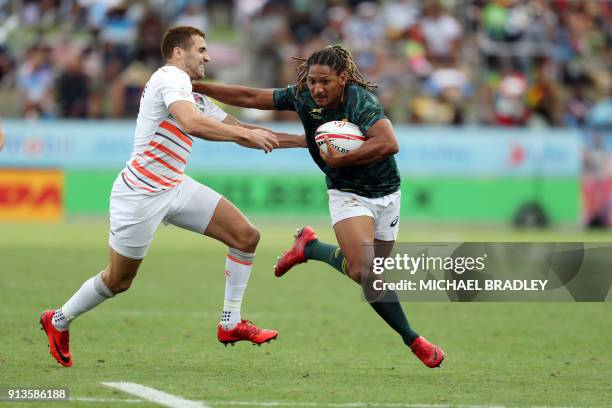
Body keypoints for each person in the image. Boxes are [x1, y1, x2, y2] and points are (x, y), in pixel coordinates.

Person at [40, 26, 305, 367]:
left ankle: (231, 323)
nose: (207, 56)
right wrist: (246, 135)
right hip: (140, 194)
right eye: (201, 49)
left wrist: (301, 141)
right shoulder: (169, 78)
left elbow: (241, 130)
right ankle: (58, 320)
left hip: (175, 186)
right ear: (179, 53)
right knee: (119, 280)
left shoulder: (191, 94)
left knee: (246, 236)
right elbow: (192, 124)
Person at [192, 45, 445, 368]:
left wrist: (344, 157)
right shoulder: (303, 96)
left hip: (387, 193)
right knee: (368, 275)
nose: (317, 88)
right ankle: (414, 339)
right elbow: (254, 97)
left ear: (342, 78)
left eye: (325, 81)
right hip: (346, 193)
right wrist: (199, 87)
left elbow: (388, 143)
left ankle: (310, 247)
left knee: (365, 273)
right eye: (312, 81)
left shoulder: (359, 101)